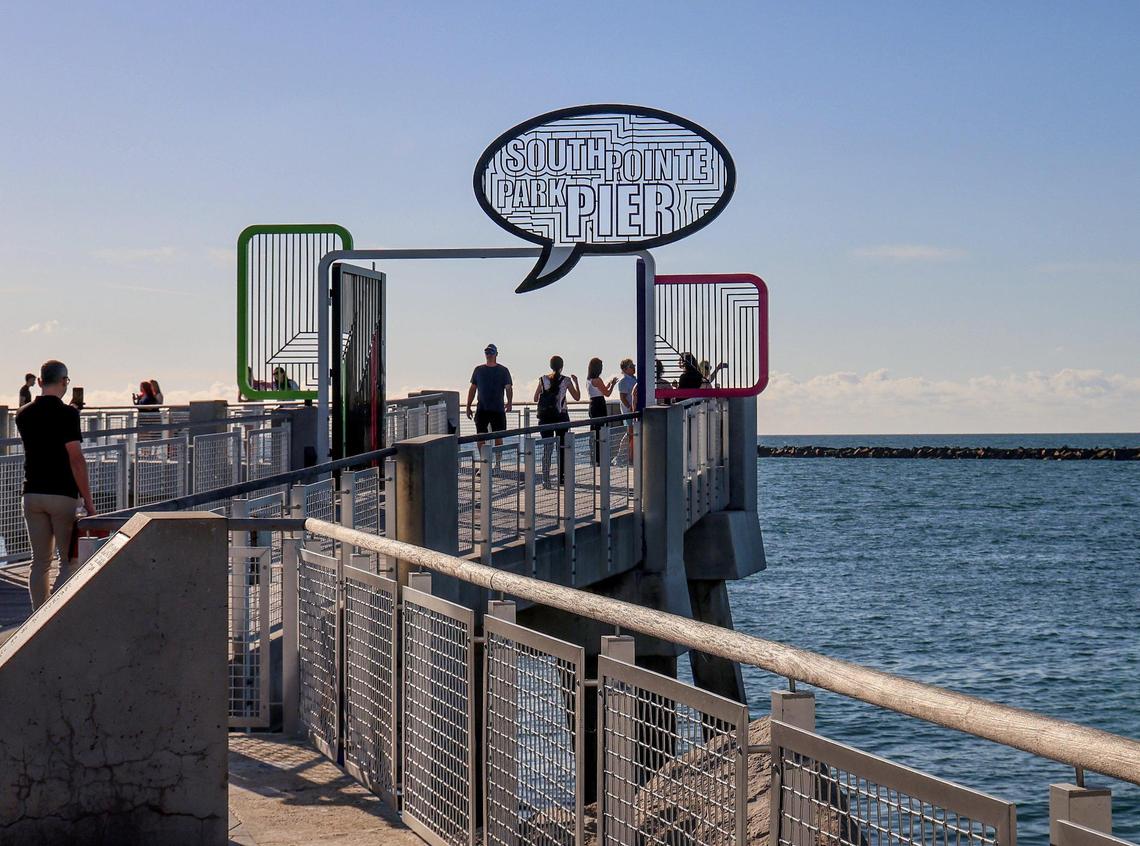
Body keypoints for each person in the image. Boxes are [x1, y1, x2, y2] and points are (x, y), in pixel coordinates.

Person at [15, 360, 96, 610]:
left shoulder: (23, 414)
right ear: (65, 382)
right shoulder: (68, 415)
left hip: (32, 493)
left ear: (39, 382)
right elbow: (76, 459)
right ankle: (55, 615)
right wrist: (90, 504)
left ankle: (37, 618)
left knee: (39, 562)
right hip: (62, 494)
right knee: (69, 561)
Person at [532, 355, 580, 486]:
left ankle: (545, 479)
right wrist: (576, 382)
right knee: (562, 448)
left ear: (550, 366)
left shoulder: (543, 379)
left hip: (545, 417)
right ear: (562, 366)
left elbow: (535, 398)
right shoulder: (566, 380)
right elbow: (577, 397)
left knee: (547, 448)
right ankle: (561, 478)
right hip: (561, 416)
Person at [466, 344, 513, 444]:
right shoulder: (478, 370)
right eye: (487, 352)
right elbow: (473, 388)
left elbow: (508, 388)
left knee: (498, 436)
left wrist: (509, 403)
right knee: (480, 436)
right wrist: (468, 406)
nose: (489, 355)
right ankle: (484, 459)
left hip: (498, 409)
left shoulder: (503, 370)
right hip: (482, 409)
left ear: (496, 354)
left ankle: (498, 460)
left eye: (491, 352)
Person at [586, 357, 617, 464]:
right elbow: (607, 393)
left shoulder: (589, 380)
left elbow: (600, 390)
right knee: (601, 432)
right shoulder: (598, 380)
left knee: (594, 431)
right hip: (599, 405)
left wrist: (607, 385)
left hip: (592, 405)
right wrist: (612, 385)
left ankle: (593, 457)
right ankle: (600, 458)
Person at [616, 358, 637, 462]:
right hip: (629, 412)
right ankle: (623, 456)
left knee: (633, 433)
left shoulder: (635, 379)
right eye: (631, 366)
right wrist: (630, 408)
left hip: (635, 411)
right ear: (625, 369)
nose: (634, 367)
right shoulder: (623, 381)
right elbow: (623, 397)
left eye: (633, 365)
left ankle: (630, 455)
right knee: (630, 433)